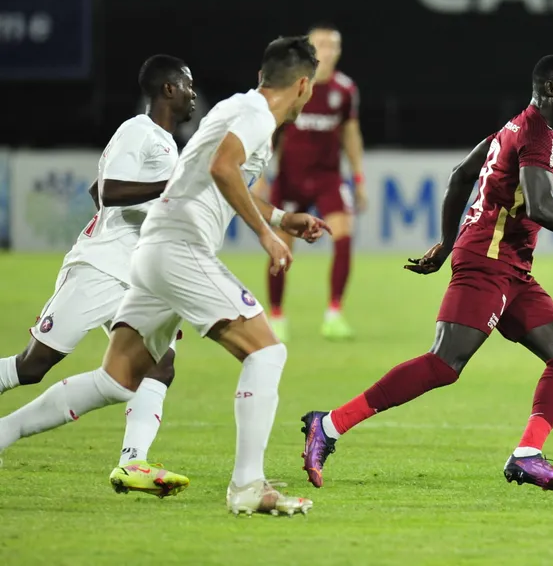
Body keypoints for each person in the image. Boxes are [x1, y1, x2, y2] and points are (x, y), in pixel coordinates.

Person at [0, 36, 330, 517]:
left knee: (118, 380)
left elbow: (214, 176)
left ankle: (5, 432)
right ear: (302, 85)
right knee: (266, 351)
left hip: (152, 249)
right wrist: (267, 234)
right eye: (311, 88)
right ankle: (247, 485)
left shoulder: (233, 111)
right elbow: (222, 167)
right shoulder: (256, 115)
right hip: (177, 247)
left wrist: (281, 218)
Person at [299, 55, 553, 492]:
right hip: (487, 262)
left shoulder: (515, 127)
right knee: (444, 363)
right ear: (551, 89)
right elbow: (539, 205)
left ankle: (527, 455)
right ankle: (329, 425)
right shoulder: (538, 134)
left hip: (510, 267)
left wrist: (447, 243)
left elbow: (461, 176)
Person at [0, 55, 196, 497]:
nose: (193, 94)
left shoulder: (166, 143)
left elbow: (97, 189)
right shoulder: (138, 130)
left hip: (138, 277)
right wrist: (171, 189)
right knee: (31, 366)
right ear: (168, 89)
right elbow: (109, 191)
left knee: (160, 366)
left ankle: (133, 462)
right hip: (101, 269)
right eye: (188, 85)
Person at [261, 23, 366, 342]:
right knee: (280, 247)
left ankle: (334, 314)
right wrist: (261, 173)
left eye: (333, 45)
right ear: (309, 48)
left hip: (328, 177)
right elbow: (271, 129)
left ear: (339, 51)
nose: (327, 51)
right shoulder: (293, 84)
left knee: (344, 235)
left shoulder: (344, 90)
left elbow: (350, 133)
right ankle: (276, 317)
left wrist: (358, 177)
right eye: (321, 44)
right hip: (290, 178)